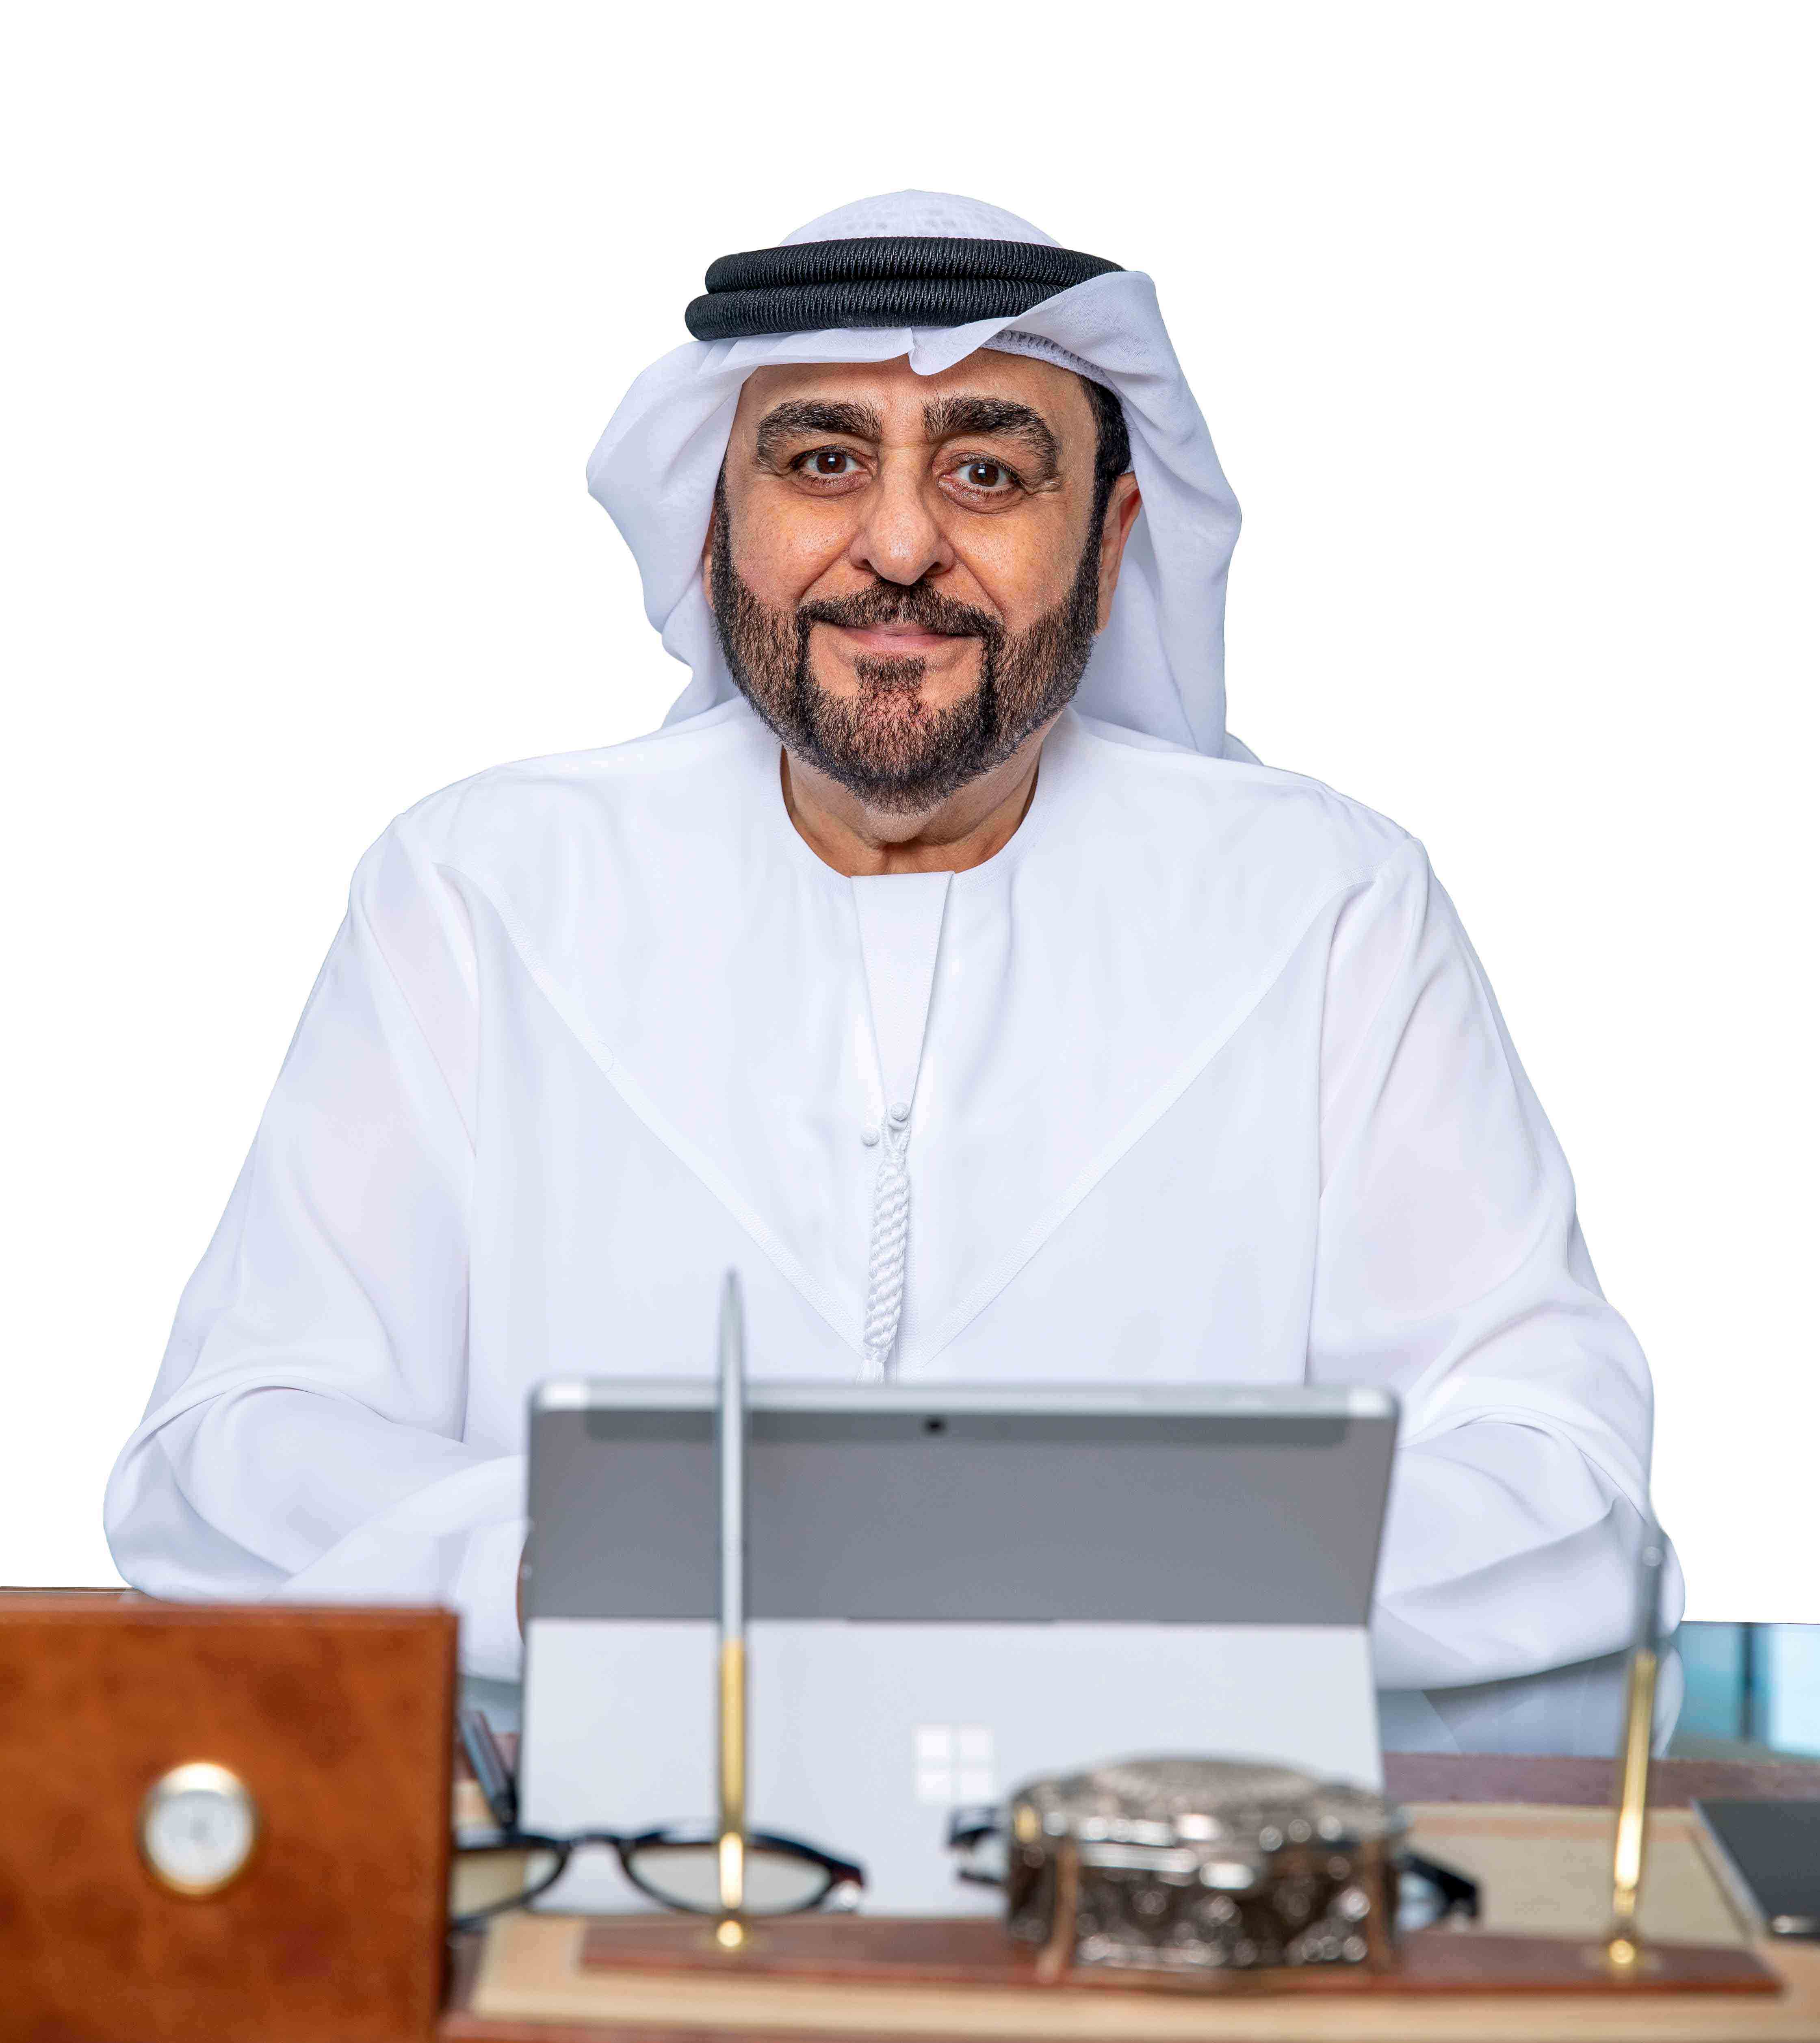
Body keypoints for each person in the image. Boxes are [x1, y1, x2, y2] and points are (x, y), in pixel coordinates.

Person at [105, 192, 1681, 1747]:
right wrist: (591, 1564)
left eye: (988, 470)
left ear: (1112, 538)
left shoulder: (1326, 906)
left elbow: (1562, 1476)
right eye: (823, 462)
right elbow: (228, 1452)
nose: (905, 543)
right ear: (713, 521)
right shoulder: (479, 891)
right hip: (596, 1867)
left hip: (1157, 1866)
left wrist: (1095, 1567)